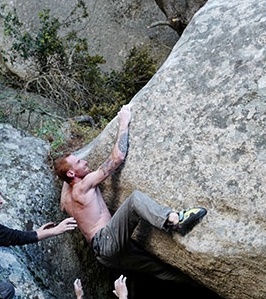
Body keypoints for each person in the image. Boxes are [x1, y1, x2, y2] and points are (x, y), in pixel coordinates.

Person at [55, 105, 207, 282]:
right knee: (134, 200)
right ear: (71, 174)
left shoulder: (66, 201)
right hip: (107, 240)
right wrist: (124, 122)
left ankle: (195, 283)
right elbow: (117, 158)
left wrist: (66, 169)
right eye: (79, 162)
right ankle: (174, 220)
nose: (85, 162)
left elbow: (65, 188)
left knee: (158, 268)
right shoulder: (84, 185)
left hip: (104, 256)